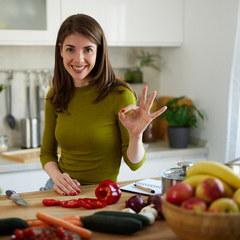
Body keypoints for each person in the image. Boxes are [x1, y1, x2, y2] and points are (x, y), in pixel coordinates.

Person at [40, 14, 167, 196]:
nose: (78, 59)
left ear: (99, 51)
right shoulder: (55, 95)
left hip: (102, 193)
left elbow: (134, 164)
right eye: (70, 49)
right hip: (58, 189)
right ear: (60, 50)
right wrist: (58, 178)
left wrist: (136, 136)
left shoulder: (120, 95)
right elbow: (46, 153)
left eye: (88, 50)